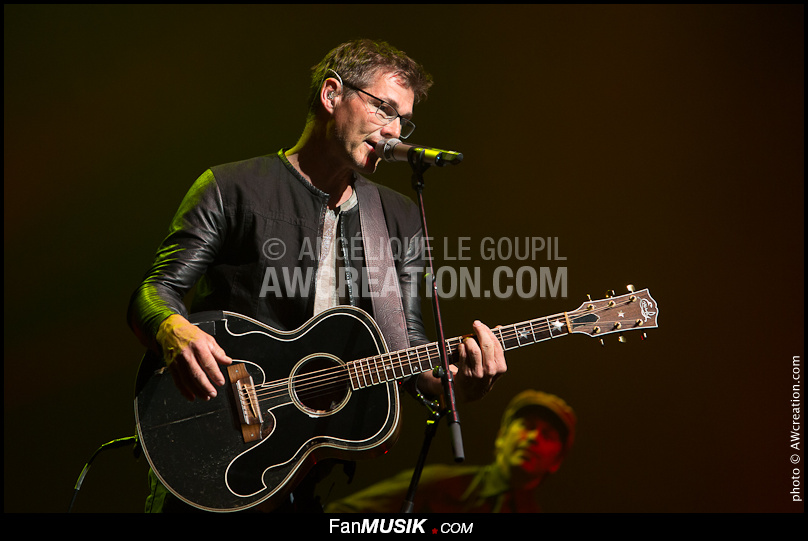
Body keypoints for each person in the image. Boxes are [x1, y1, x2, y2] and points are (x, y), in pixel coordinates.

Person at [128, 39, 507, 512]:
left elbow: (405, 343)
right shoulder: (231, 187)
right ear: (332, 95)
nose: (395, 131)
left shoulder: (398, 218)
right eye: (385, 109)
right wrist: (171, 327)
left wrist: (452, 385)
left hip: (312, 469)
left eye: (404, 121)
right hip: (214, 433)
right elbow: (156, 290)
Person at [325, 390, 576, 513]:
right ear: (501, 436)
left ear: (557, 461)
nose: (533, 437)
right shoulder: (440, 483)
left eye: (548, 435)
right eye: (527, 426)